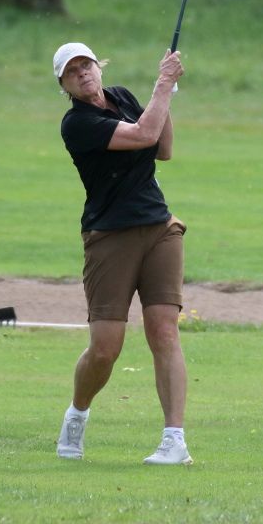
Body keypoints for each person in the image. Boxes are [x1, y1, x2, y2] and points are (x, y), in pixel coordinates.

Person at [51, 41, 192, 465]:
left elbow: (163, 148)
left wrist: (165, 95)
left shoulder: (124, 98)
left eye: (86, 64)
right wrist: (162, 86)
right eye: (72, 71)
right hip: (110, 236)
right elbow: (144, 134)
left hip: (159, 227)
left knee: (164, 332)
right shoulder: (77, 124)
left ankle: (174, 440)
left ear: (99, 66)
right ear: (63, 85)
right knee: (105, 349)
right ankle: (77, 413)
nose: (82, 73)